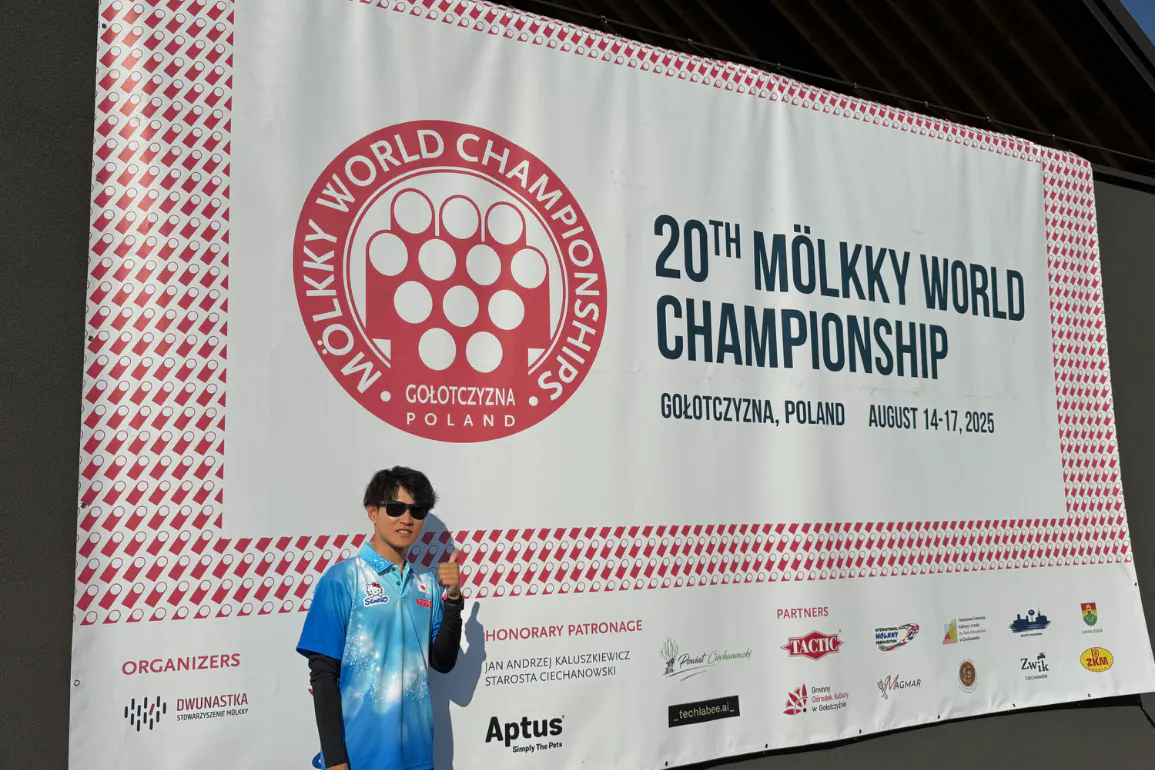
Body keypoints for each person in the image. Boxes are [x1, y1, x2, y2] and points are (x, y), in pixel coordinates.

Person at [297, 466, 463, 770]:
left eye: (417, 511)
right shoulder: (343, 578)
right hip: (359, 759)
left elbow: (443, 661)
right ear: (373, 512)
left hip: (418, 757)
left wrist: (453, 600)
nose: (407, 519)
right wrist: (336, 762)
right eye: (396, 508)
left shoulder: (426, 583)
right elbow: (323, 675)